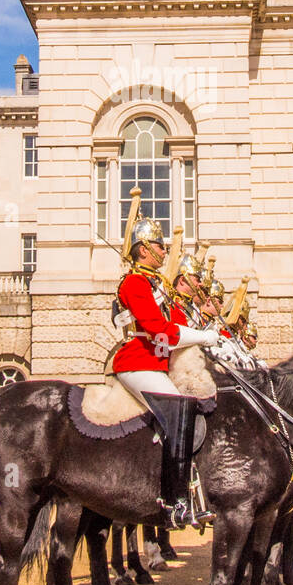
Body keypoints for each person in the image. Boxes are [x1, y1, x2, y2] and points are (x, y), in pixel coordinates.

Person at [111, 217, 221, 528]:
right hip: (136, 363)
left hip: (155, 363)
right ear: (143, 249)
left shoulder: (154, 284)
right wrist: (203, 336)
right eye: (160, 246)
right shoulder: (134, 283)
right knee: (179, 413)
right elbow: (160, 331)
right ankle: (175, 501)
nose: (165, 251)